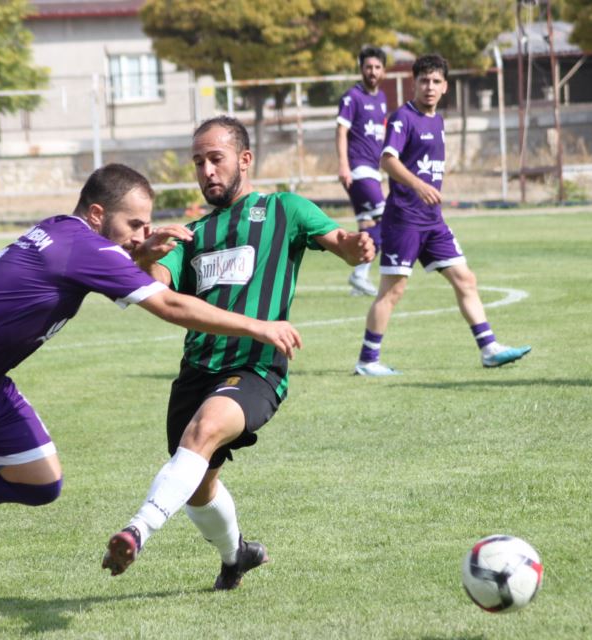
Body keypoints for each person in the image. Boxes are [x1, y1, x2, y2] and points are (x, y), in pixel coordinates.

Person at [0, 163, 304, 634]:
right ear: (97, 214)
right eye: (135, 224)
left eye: (148, 225)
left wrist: (139, 252)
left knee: (41, 483)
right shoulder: (84, 248)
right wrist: (259, 325)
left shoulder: (62, 231)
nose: (143, 234)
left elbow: (110, 269)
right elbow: (171, 305)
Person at [102, 116, 374, 590]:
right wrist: (144, 259)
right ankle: (236, 556)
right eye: (198, 162)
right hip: (197, 371)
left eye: (215, 158)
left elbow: (343, 247)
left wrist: (354, 245)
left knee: (205, 430)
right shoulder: (189, 236)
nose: (206, 170)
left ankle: (136, 529)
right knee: (199, 486)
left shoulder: (284, 210)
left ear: (244, 160)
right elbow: (157, 290)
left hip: (256, 367)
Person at [352, 54, 530, 376]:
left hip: (432, 220)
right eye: (424, 81)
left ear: (445, 87)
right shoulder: (402, 117)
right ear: (414, 83)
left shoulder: (438, 120)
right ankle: (367, 360)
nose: (429, 87)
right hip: (404, 219)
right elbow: (387, 160)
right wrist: (419, 185)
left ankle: (489, 349)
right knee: (392, 291)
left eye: (436, 82)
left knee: (466, 279)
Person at [337, 46, 390, 297]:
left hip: (373, 170)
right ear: (361, 69)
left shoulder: (381, 99)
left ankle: (360, 277)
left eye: (377, 67)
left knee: (367, 224)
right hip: (359, 169)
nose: (372, 71)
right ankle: (359, 275)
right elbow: (341, 132)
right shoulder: (352, 97)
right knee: (387, 219)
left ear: (384, 71)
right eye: (368, 67)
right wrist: (344, 165)